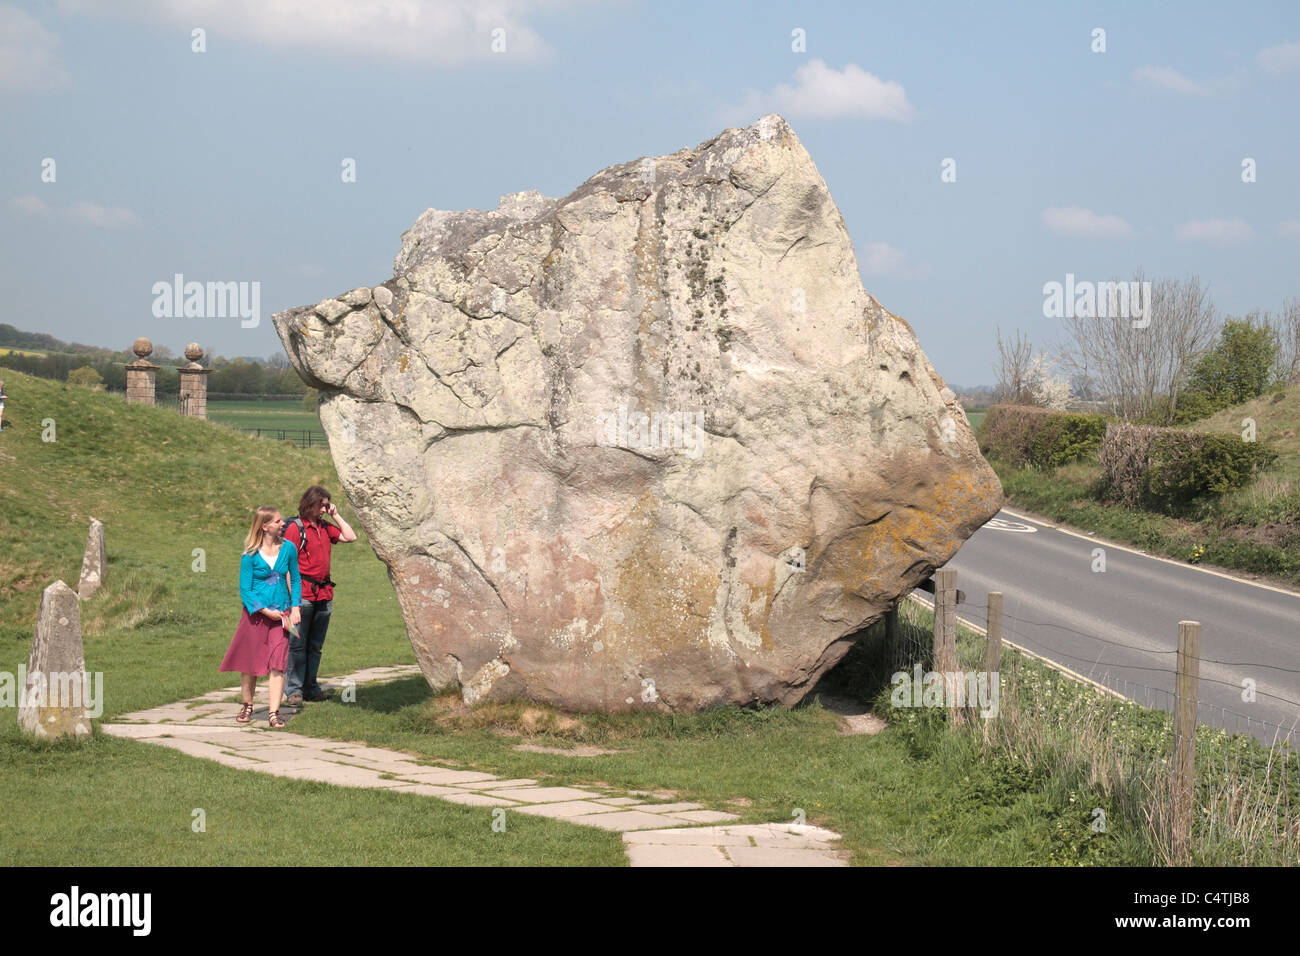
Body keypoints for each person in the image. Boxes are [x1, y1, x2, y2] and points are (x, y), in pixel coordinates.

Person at [220, 506, 301, 728]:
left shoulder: (289, 548)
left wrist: (295, 607)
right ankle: (247, 705)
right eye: (277, 521)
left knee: (278, 664)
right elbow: (245, 590)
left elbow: (295, 579)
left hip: (282, 614)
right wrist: (265, 611)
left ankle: (274, 713)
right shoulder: (250, 554)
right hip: (255, 616)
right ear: (264, 526)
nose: (283, 523)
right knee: (250, 663)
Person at [282, 486, 356, 705]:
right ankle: (294, 690)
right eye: (322, 505)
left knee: (315, 646)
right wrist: (293, 601)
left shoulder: (325, 526)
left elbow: (350, 537)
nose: (324, 509)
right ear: (310, 503)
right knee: (296, 645)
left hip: (324, 594)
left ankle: (311, 688)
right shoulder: (295, 528)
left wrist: (336, 515)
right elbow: (287, 566)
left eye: (326, 505)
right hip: (302, 595)